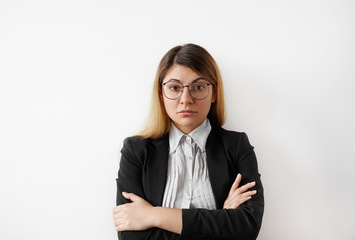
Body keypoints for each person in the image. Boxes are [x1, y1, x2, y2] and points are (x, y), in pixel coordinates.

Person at [112, 43, 264, 240]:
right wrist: (221, 221)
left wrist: (154, 215)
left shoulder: (236, 146)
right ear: (161, 94)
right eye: (174, 88)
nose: (185, 99)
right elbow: (129, 234)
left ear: (214, 93)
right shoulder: (136, 151)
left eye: (198, 87)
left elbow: (247, 227)